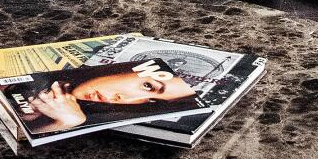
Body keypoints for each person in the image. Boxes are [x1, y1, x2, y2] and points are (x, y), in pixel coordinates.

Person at [17, 56, 201, 135]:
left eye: (152, 100)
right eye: (147, 85)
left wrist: (63, 123)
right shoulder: (38, 73)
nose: (127, 100)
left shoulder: (79, 114)